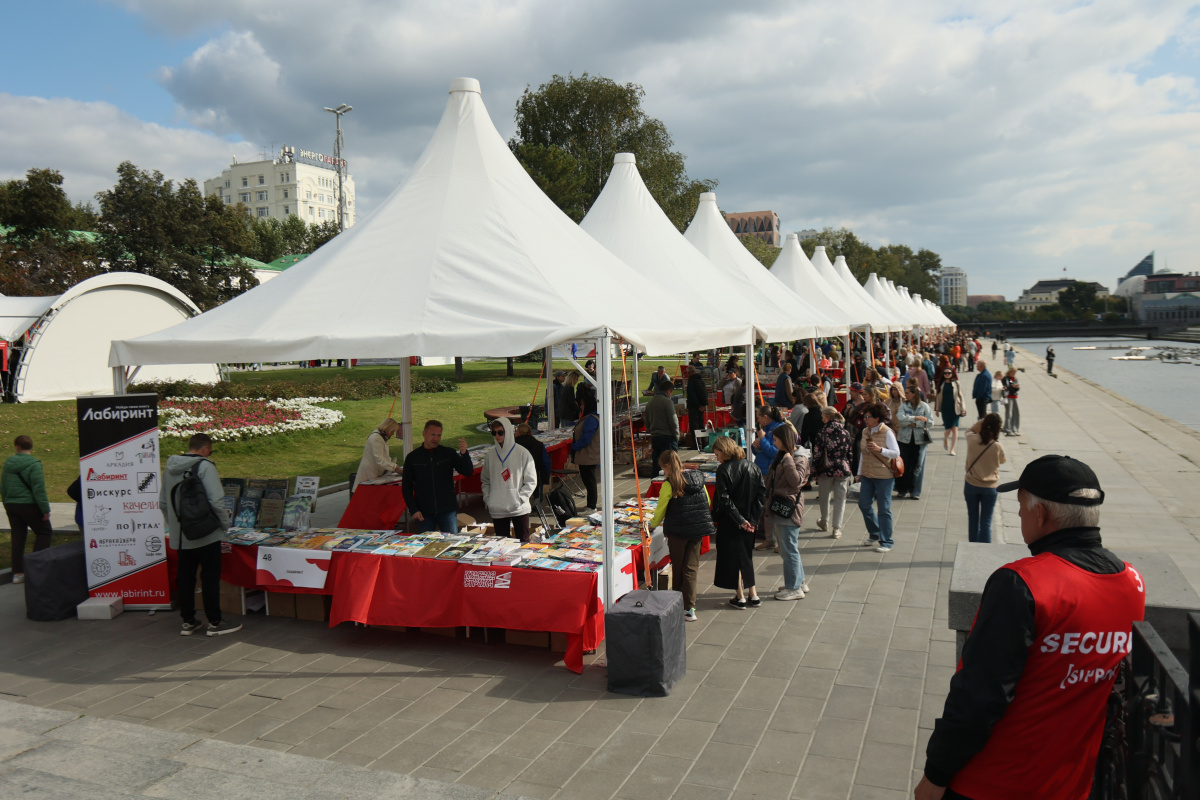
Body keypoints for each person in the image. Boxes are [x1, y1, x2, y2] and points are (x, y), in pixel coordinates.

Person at [917, 455, 1144, 800]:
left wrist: (936, 774)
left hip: (992, 783)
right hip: (1071, 782)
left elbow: (980, 695)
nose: (1021, 514)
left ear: (1041, 514)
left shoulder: (1022, 583)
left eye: (1022, 506)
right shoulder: (1131, 581)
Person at [161, 433, 238, 636]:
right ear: (205, 449)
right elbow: (216, 501)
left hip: (180, 536)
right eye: (210, 451)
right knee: (210, 577)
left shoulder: (169, 468)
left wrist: (175, 526)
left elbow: (162, 503)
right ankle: (215, 621)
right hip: (206, 533)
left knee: (185, 578)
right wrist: (224, 524)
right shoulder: (205, 466)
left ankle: (188, 621)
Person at [645, 450, 714, 622]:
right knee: (691, 568)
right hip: (697, 529)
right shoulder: (697, 478)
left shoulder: (669, 484)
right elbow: (708, 501)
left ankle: (676, 602)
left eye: (663, 469)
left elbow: (661, 509)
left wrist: (652, 524)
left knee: (677, 566)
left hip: (678, 532)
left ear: (667, 466)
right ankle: (689, 607)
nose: (664, 472)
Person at [711, 436, 765, 609]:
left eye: (717, 453)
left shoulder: (723, 470)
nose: (716, 456)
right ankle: (753, 594)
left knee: (733, 557)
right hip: (749, 519)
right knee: (746, 556)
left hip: (731, 521)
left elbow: (724, 500)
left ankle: (740, 595)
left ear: (723, 451)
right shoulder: (753, 466)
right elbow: (761, 496)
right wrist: (753, 520)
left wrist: (740, 521)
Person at [761, 423, 809, 600]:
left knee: (789, 550)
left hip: (788, 508)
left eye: (775, 440)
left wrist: (788, 459)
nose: (774, 443)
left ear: (785, 440)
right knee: (789, 548)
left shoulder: (798, 457)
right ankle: (799, 582)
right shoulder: (784, 455)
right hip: (780, 507)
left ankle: (794, 587)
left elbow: (796, 481)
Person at [402, 420, 474, 533]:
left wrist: (464, 454)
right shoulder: (413, 458)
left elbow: (468, 471)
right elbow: (406, 487)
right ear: (424, 434)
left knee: (451, 545)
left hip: (447, 511)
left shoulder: (448, 453)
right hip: (424, 513)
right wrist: (413, 510)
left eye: (439, 435)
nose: (436, 438)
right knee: (426, 547)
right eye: (433, 434)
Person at [1, 435, 52, 585]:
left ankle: (18, 573)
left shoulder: (8, 463)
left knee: (18, 538)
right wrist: (45, 510)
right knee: (45, 532)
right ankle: (35, 568)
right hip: (29, 505)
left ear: (16, 447)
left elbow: (3, 486)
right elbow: (39, 490)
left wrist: (6, 504)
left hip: (12, 504)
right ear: (31, 447)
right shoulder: (34, 464)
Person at [481, 418, 538, 540]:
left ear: (507, 431)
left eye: (500, 432)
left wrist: (520, 499)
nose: (497, 436)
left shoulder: (523, 453)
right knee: (501, 545)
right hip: (497, 508)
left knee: (523, 542)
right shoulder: (490, 455)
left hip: (519, 508)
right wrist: (488, 499)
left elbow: (531, 480)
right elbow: (485, 480)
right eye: (494, 433)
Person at [855, 403, 899, 553]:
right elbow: (863, 454)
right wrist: (859, 473)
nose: (865, 419)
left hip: (883, 476)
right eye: (864, 416)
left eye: (868, 417)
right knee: (864, 504)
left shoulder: (887, 432)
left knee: (884, 509)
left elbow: (896, 453)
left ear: (877, 418)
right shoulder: (865, 432)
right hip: (867, 475)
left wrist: (881, 450)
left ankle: (887, 541)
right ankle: (875, 532)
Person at [811, 406, 854, 539]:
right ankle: (837, 528)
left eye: (823, 417)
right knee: (840, 500)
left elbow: (817, 453)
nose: (822, 419)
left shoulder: (822, 433)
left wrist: (815, 470)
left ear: (828, 417)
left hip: (825, 469)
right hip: (842, 468)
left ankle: (824, 521)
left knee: (824, 497)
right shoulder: (845, 432)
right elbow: (850, 452)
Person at [963, 414, 1007, 543]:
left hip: (971, 484)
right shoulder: (997, 446)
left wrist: (982, 422)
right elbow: (1002, 461)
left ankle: (971, 548)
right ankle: (984, 550)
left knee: (973, 521)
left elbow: (969, 430)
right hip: (990, 487)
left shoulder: (972, 439)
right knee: (986, 523)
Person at [895, 383, 934, 500]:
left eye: (907, 393)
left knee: (918, 465)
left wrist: (913, 424)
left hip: (919, 440)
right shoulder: (903, 406)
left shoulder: (924, 407)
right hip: (904, 440)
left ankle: (915, 491)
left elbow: (930, 422)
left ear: (914, 394)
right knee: (903, 464)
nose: (905, 395)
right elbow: (900, 420)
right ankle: (902, 489)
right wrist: (916, 418)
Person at [570, 394, 601, 511]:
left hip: (588, 455)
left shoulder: (591, 419)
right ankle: (590, 505)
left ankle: (591, 506)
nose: (581, 406)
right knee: (589, 481)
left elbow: (586, 438)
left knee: (590, 481)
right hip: (587, 454)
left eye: (582, 404)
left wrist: (574, 447)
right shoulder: (591, 417)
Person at [643, 378, 680, 471]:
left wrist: (652, 430)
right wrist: (676, 435)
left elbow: (646, 421)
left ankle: (655, 483)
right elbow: (673, 421)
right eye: (671, 393)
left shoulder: (650, 402)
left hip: (656, 437)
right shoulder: (667, 402)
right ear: (668, 391)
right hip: (668, 438)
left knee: (657, 464)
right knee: (671, 465)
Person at [514, 422, 550, 509]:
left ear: (518, 433)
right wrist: (546, 475)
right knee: (537, 489)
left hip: (517, 474)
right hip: (536, 473)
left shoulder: (514, 445)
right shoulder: (539, 444)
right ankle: (537, 503)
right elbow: (545, 462)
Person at [355, 418, 399, 488]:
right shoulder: (377, 438)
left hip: (375, 472)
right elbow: (379, 459)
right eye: (392, 431)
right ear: (388, 429)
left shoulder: (382, 437)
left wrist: (391, 467)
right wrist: (395, 467)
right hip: (369, 473)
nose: (393, 434)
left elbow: (385, 456)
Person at [935, 367, 966, 456]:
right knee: (948, 429)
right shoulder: (941, 384)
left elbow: (961, 396)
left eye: (949, 373)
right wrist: (937, 409)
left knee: (955, 428)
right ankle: (946, 438)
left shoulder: (956, 383)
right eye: (945, 373)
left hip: (955, 408)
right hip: (945, 409)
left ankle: (952, 449)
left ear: (952, 374)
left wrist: (963, 409)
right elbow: (938, 397)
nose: (947, 375)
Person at [685, 365, 708, 447]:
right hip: (701, 405)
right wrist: (703, 405)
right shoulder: (700, 380)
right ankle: (704, 442)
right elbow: (704, 393)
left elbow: (692, 395)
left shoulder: (691, 381)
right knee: (701, 424)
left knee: (694, 425)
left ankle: (697, 444)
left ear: (689, 373)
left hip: (694, 406)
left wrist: (698, 405)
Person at [1001, 367, 1021, 436]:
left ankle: (1015, 428)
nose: (1014, 374)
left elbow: (1015, 389)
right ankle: (1008, 429)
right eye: (1013, 372)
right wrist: (1013, 387)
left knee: (1016, 413)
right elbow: (1005, 387)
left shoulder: (1014, 379)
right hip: (1008, 397)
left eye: (1015, 373)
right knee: (1009, 414)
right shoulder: (1006, 378)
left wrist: (1015, 387)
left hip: (1014, 397)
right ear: (1009, 372)